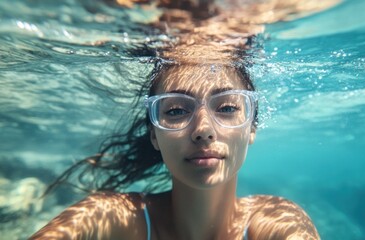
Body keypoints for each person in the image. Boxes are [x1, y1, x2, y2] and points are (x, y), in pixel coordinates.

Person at [29, 55, 320, 239]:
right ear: (155, 135)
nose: (204, 130)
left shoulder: (275, 223)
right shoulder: (110, 216)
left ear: (251, 127)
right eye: (177, 111)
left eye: (228, 107)